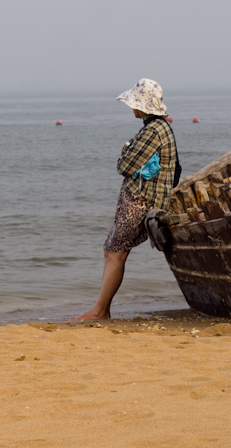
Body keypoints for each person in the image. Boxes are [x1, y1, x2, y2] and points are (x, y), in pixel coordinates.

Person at [73, 78, 179, 321]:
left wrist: (126, 152)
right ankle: (102, 309)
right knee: (111, 250)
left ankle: (100, 311)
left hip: (141, 201)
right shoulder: (158, 127)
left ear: (143, 106)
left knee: (117, 252)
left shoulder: (153, 131)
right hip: (139, 199)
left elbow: (124, 165)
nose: (132, 108)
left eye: (134, 103)